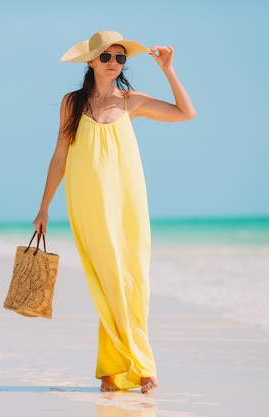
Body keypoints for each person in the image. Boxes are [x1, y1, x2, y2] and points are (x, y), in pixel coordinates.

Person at [32, 30, 196, 394]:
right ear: (91, 61)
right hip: (87, 202)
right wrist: (44, 207)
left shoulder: (131, 101)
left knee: (132, 280)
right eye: (106, 56)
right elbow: (60, 156)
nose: (113, 63)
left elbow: (187, 113)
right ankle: (140, 366)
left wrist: (168, 69)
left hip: (128, 204)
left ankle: (112, 369)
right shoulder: (72, 103)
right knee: (107, 280)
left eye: (120, 58)